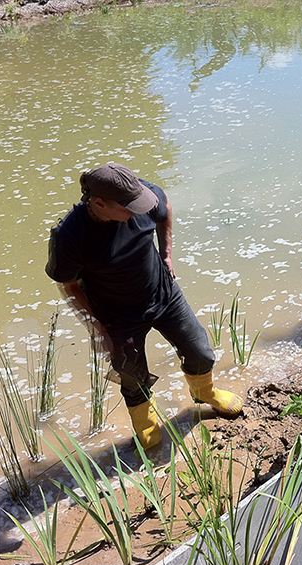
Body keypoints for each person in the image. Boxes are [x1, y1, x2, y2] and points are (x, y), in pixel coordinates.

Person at [45, 162, 242, 450]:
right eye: (130, 209)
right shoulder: (69, 237)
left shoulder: (140, 196)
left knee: (200, 351)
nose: (140, 211)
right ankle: (146, 425)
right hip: (117, 316)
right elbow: (69, 285)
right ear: (99, 203)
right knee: (132, 376)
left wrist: (166, 253)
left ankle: (205, 393)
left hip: (164, 294)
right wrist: (97, 329)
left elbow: (164, 208)